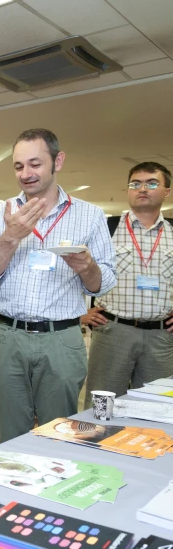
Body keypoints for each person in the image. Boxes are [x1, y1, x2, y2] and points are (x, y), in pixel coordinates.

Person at [0, 128, 116, 443]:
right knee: (10, 435)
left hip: (61, 339)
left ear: (57, 161)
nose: (26, 173)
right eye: (19, 166)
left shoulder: (90, 216)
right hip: (7, 338)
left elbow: (101, 284)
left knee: (60, 434)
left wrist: (88, 267)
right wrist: (10, 237)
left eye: (35, 164)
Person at [83, 162, 173, 406]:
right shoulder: (106, 228)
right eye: (135, 184)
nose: (142, 188)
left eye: (151, 183)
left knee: (157, 408)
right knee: (100, 409)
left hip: (161, 336)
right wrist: (79, 313)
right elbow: (74, 271)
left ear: (167, 190)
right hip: (113, 331)